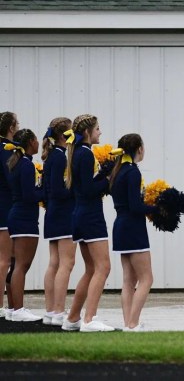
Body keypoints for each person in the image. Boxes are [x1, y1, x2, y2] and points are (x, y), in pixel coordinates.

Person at [61, 114, 114, 332]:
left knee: (91, 269)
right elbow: (88, 190)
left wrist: (102, 174)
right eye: (98, 129)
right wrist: (108, 180)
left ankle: (73, 318)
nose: (100, 132)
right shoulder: (85, 154)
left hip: (79, 215)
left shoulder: (77, 153)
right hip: (90, 216)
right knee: (103, 267)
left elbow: (81, 186)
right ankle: (90, 319)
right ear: (87, 133)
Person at [109, 134, 157, 331]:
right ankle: (133, 323)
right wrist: (157, 208)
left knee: (129, 280)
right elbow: (135, 206)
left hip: (120, 226)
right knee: (146, 278)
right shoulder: (132, 172)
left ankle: (128, 323)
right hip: (133, 227)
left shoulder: (117, 171)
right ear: (139, 149)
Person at [5, 129, 44, 322]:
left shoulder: (15, 162)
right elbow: (29, 196)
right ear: (30, 142)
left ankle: (13, 308)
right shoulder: (27, 165)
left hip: (16, 216)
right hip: (24, 219)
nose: (38, 143)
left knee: (15, 265)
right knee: (22, 265)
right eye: (36, 139)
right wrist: (46, 192)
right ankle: (18, 309)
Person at [40, 117, 76, 327]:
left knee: (55, 262)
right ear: (64, 136)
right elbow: (57, 189)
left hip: (53, 213)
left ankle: (50, 310)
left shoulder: (52, 156)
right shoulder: (60, 157)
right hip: (63, 213)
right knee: (66, 263)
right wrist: (76, 190)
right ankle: (59, 311)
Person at [0, 111, 19, 319]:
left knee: (10, 260)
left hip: (5, 207)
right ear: (11, 128)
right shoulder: (6, 149)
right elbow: (11, 177)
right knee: (4, 260)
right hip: (5, 208)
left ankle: (14, 305)